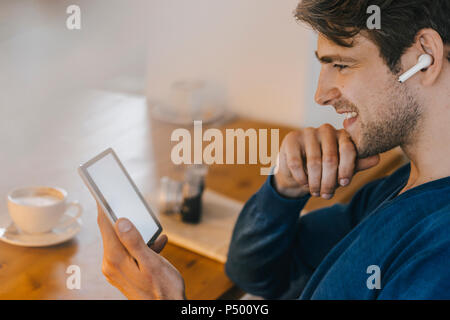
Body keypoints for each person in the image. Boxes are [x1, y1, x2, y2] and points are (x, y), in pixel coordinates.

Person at [96, 0, 450, 299]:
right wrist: (283, 190)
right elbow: (257, 273)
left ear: (426, 58)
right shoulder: (401, 185)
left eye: (341, 64)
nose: (321, 94)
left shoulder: (439, 254)